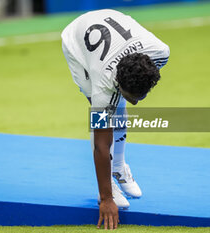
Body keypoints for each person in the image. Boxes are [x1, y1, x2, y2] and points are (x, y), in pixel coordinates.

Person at [61, 9, 169, 230]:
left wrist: (130, 94)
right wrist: (106, 198)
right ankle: (110, 180)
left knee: (118, 103)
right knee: (108, 110)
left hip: (112, 20)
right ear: (118, 82)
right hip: (76, 41)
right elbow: (101, 144)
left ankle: (119, 167)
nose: (137, 103)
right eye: (134, 97)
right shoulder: (103, 86)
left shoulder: (160, 53)